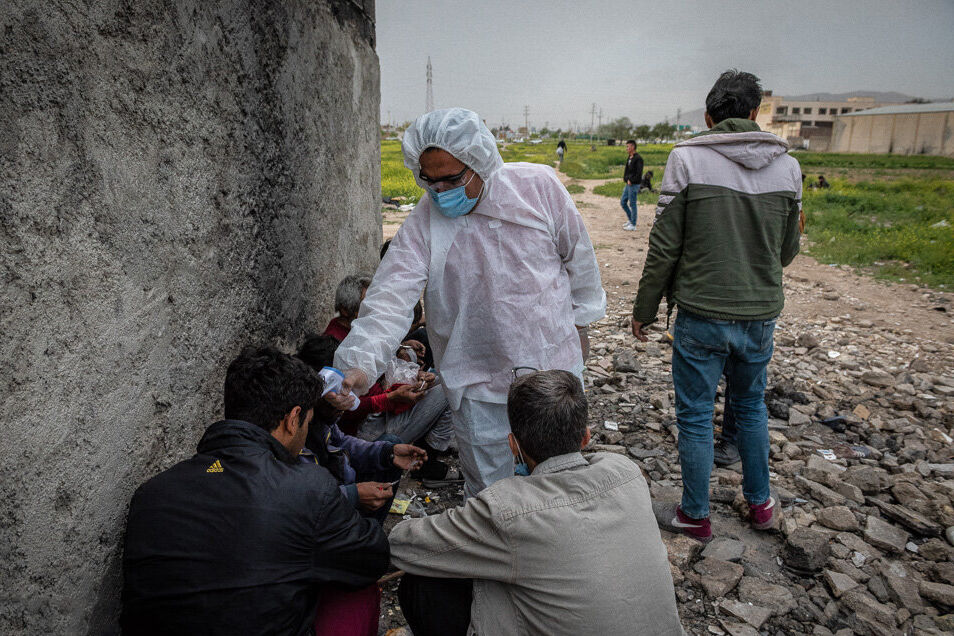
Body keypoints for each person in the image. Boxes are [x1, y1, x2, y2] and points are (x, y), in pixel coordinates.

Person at [329, 107, 606, 498]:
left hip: (550, 372)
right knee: (492, 495)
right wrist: (357, 367)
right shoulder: (425, 222)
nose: (441, 191)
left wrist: (582, 324)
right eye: (430, 181)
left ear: (481, 162)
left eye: (452, 179)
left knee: (558, 484)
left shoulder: (537, 187)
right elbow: (389, 299)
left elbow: (579, 260)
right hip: (477, 383)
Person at [631, 70, 802, 543]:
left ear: (708, 116)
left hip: (702, 314)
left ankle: (696, 515)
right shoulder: (788, 167)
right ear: (754, 114)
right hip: (759, 314)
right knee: (750, 408)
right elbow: (787, 251)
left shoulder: (686, 158)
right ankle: (762, 505)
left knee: (695, 414)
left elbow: (664, 245)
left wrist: (644, 309)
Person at [388, 370, 684, 636]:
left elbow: (406, 545)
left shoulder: (508, 508)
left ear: (512, 445)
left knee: (426, 581)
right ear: (586, 437)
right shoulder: (627, 472)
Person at [121, 346, 390, 635]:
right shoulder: (308, 487)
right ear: (292, 419)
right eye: (307, 424)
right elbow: (371, 559)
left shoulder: (151, 493)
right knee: (355, 591)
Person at [298, 334, 460, 488]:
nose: (343, 393)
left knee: (440, 379)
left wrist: (387, 453)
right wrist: (392, 397)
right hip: (370, 426)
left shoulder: (347, 357)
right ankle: (428, 463)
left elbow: (341, 442)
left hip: (375, 418)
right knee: (450, 388)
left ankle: (426, 457)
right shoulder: (315, 417)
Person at [620, 139, 644, 231]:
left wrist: (631, 180)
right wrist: (626, 179)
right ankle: (630, 219)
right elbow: (626, 171)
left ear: (633, 147)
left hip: (634, 185)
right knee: (623, 202)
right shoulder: (629, 157)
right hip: (628, 184)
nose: (627, 148)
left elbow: (639, 173)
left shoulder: (638, 159)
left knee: (632, 204)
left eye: (628, 146)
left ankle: (633, 225)